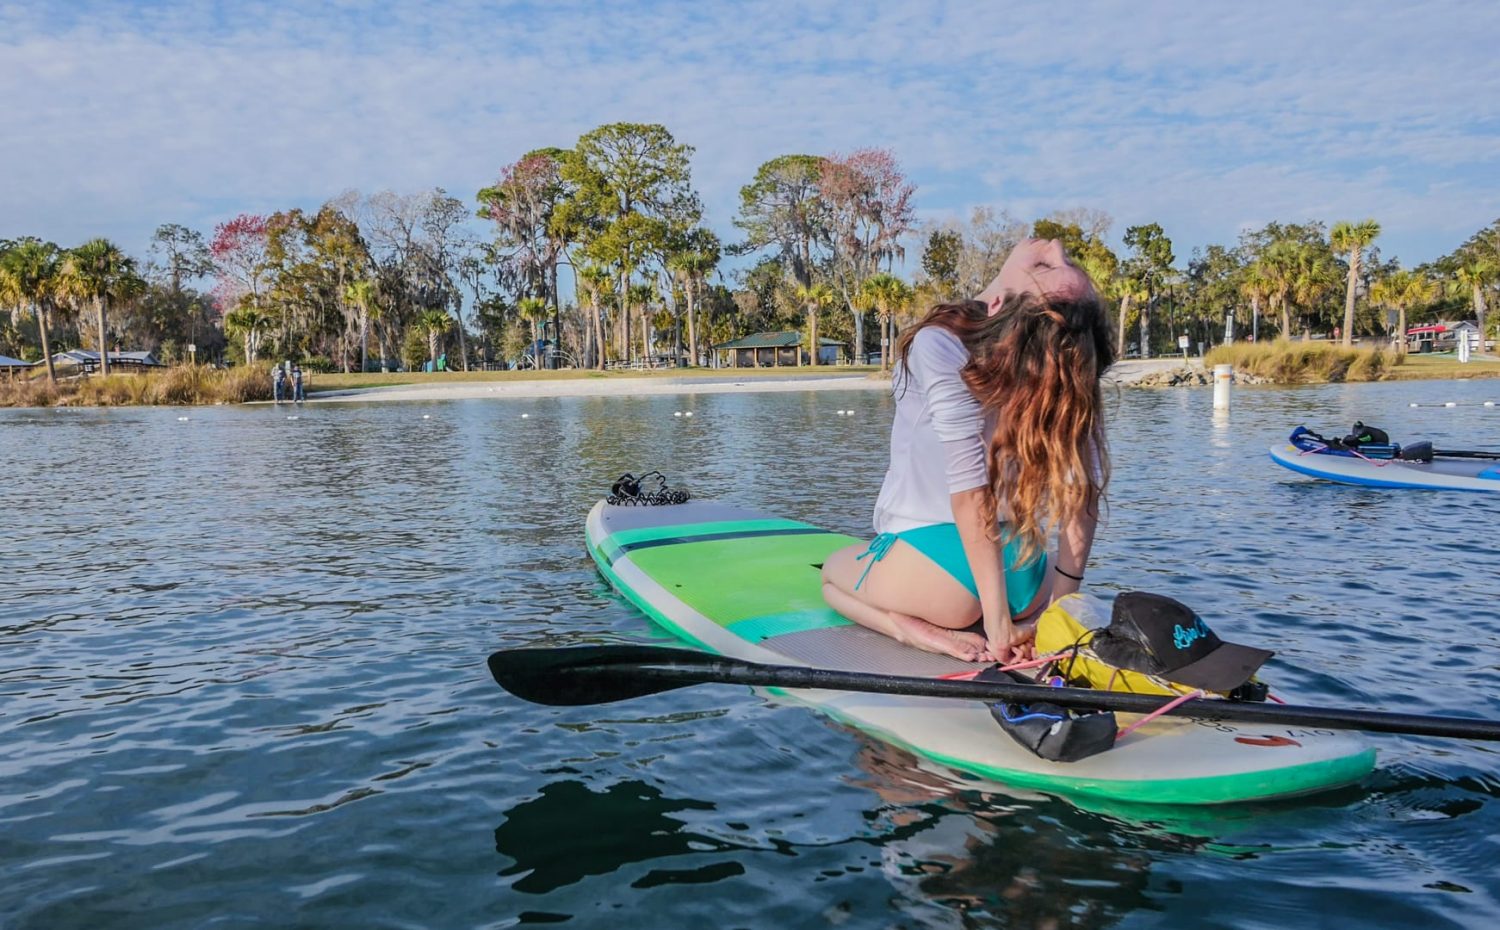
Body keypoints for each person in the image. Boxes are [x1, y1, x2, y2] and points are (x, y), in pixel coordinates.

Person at [821, 238, 1114, 664]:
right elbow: (1080, 497)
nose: (1056, 245)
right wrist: (1058, 611)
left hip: (942, 584)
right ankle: (992, 611)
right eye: (1060, 258)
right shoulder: (1065, 364)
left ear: (997, 305)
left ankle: (906, 628)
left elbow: (970, 492)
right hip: (1031, 580)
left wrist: (997, 627)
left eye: (1049, 267)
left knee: (830, 576)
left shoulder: (938, 344)